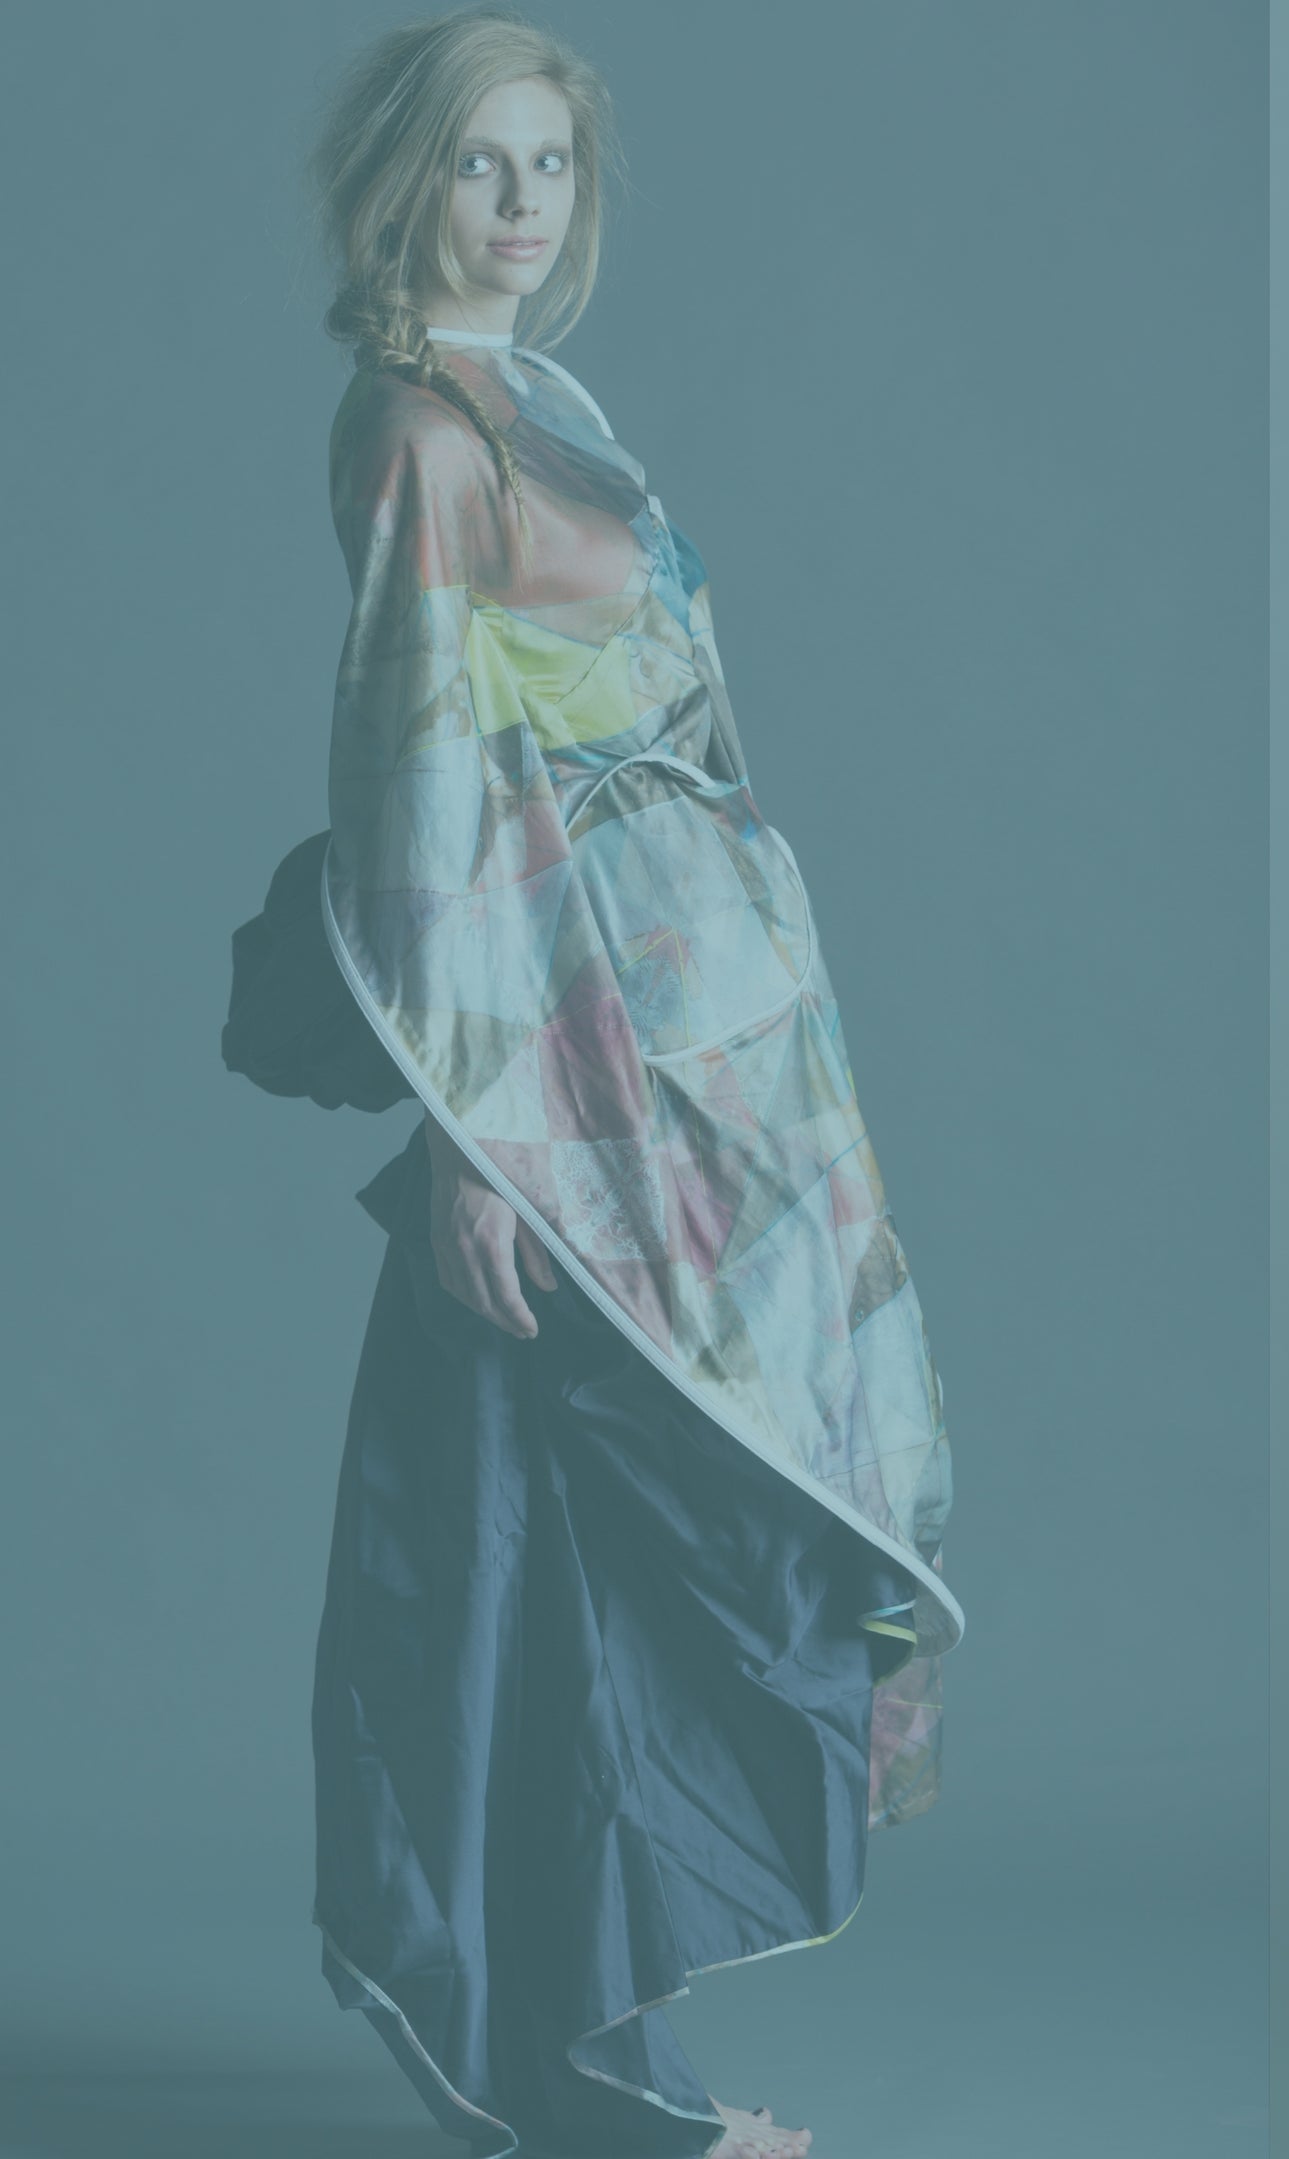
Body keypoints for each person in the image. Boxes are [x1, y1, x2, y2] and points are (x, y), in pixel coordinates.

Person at [237, 12, 963, 2153]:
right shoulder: (418, 433)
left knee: (658, 1508)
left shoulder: (540, 396)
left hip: (705, 1044)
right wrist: (470, 1136)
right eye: (482, 165)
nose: (525, 204)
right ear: (406, 186)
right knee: (582, 1531)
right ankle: (591, 2073)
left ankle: (588, 2063)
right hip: (558, 1072)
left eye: (549, 164)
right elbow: (419, 793)